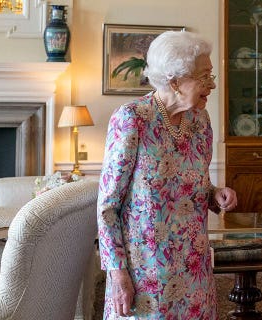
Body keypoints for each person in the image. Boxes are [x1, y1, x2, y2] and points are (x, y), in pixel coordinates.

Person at [97, 31, 237, 319]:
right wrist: (117, 273)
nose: (211, 84)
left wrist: (215, 194)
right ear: (174, 80)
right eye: (204, 76)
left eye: (211, 75)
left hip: (193, 265)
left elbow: (194, 181)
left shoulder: (200, 120)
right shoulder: (132, 119)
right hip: (146, 271)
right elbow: (108, 206)